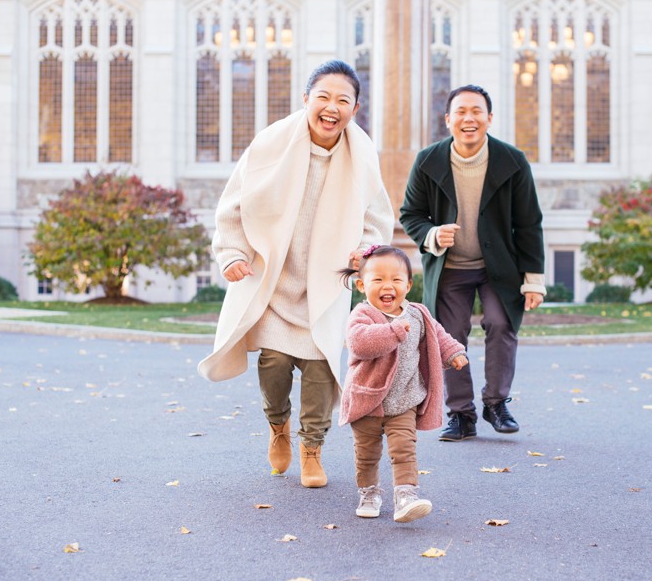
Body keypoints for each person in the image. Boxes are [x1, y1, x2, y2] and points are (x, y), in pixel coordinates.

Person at [198, 60, 394, 487]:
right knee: (274, 363)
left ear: (355, 108)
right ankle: (277, 426)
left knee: (321, 368)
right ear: (306, 99)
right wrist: (232, 254)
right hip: (274, 280)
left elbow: (377, 218)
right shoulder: (270, 144)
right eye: (323, 97)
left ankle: (312, 449)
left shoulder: (362, 156)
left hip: (326, 282)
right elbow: (233, 205)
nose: (331, 107)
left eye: (342, 100)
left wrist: (365, 252)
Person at [399, 84, 545, 442]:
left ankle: (496, 403)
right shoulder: (428, 161)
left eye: (477, 111)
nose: (469, 118)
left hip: (499, 267)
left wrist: (533, 279)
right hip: (450, 267)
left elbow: (528, 222)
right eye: (461, 111)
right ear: (448, 119)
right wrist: (433, 234)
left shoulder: (512, 161)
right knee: (450, 337)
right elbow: (411, 214)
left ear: (489, 118)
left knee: (501, 322)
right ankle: (461, 414)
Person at [338, 245, 467, 522]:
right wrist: (392, 331)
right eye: (378, 279)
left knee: (404, 449)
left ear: (408, 285)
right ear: (361, 285)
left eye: (396, 279)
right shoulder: (362, 315)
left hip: (404, 399)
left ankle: (406, 496)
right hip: (366, 400)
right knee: (367, 454)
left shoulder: (418, 314)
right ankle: (369, 492)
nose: (388, 286)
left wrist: (453, 352)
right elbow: (360, 343)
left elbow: (437, 335)